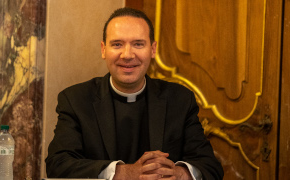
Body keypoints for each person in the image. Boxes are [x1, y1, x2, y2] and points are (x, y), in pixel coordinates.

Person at [46, 7, 224, 180]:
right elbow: (57, 164)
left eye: (138, 44)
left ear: (153, 49)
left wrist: (179, 174)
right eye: (117, 44)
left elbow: (210, 166)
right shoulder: (75, 100)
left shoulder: (180, 100)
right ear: (103, 49)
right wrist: (124, 173)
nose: (127, 55)